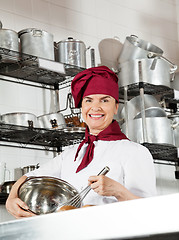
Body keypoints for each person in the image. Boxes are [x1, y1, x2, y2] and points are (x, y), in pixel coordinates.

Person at [6, 66, 157, 218]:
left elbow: (151, 212)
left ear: (116, 107)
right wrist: (11, 198)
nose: (95, 107)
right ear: (82, 106)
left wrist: (118, 191)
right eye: (89, 100)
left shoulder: (135, 152)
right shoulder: (71, 154)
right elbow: (30, 177)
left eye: (104, 100)